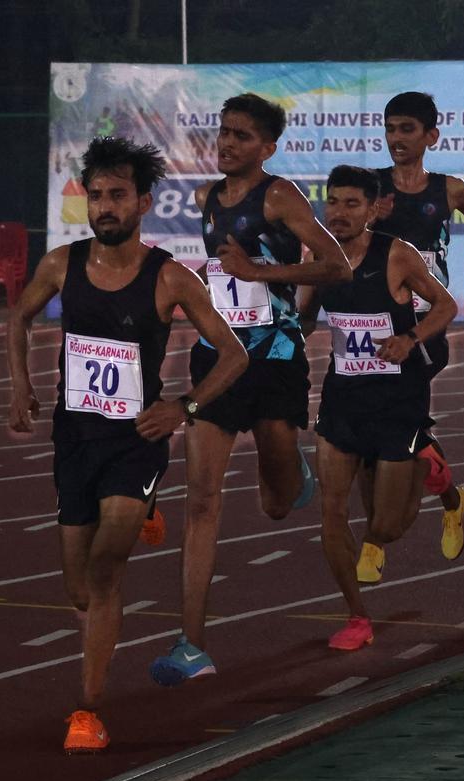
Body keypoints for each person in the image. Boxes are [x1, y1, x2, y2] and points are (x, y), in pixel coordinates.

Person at [5, 137, 248, 753]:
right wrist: (20, 385)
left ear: (143, 203)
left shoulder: (169, 277)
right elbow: (19, 318)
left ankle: (87, 710)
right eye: (96, 196)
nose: (105, 207)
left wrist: (184, 408)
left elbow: (234, 354)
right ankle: (143, 512)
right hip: (75, 439)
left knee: (106, 570)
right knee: (78, 587)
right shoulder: (61, 266)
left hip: (136, 442)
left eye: (117, 196)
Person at [149, 93, 350, 686]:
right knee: (202, 501)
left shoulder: (281, 196)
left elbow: (335, 266)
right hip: (219, 358)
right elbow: (221, 274)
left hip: (278, 359)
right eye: (224, 131)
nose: (227, 142)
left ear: (267, 147)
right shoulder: (209, 198)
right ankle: (191, 645)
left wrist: (262, 274)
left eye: (241, 135)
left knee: (277, 498)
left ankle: (295, 477)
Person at [299, 165, 457, 649]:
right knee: (331, 512)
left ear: (372, 209)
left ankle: (444, 484)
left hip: (397, 402)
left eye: (352, 204)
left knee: (387, 526)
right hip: (343, 399)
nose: (339, 213)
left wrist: (409, 338)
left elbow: (446, 306)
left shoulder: (396, 255)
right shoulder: (319, 258)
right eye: (333, 202)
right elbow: (304, 319)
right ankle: (356, 617)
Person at [371, 91, 464, 565]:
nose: (396, 139)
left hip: (426, 325)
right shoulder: (373, 187)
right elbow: (340, 233)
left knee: (399, 422)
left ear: (431, 136)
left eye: (407, 129)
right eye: (390, 129)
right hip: (374, 322)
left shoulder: (448, 188)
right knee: (388, 424)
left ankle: (377, 539)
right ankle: (450, 499)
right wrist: (370, 217)